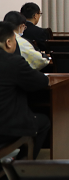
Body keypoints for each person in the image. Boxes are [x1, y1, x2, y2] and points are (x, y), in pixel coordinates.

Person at [0, 21, 51, 159]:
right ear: (9, 42)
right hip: (5, 127)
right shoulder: (13, 62)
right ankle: (20, 166)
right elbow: (41, 81)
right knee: (44, 122)